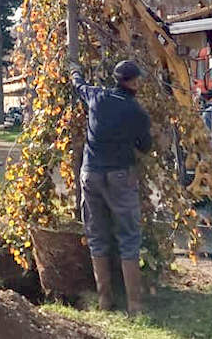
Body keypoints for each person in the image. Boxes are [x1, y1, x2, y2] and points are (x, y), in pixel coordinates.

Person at [71, 60, 152, 314]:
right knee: (128, 237)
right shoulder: (136, 111)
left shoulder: (97, 97)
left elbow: (79, 85)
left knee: (97, 235)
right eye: (138, 80)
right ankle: (135, 306)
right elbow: (145, 147)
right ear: (133, 82)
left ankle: (105, 301)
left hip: (91, 173)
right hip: (119, 175)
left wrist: (75, 71)